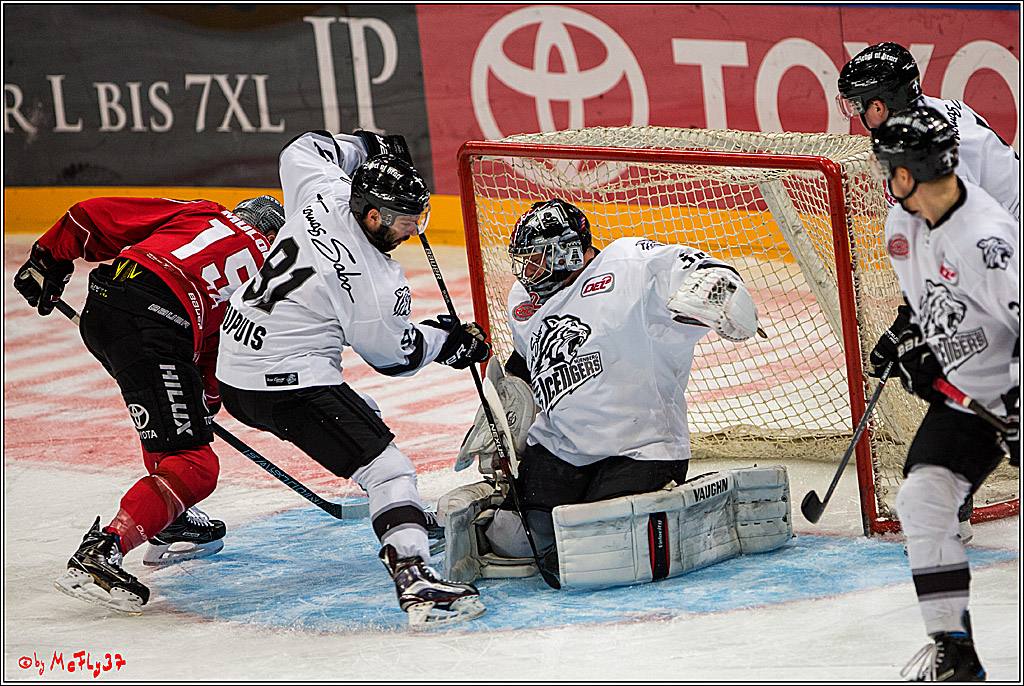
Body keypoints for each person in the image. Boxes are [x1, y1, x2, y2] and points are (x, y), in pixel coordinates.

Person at [215, 129, 490, 627]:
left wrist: (368, 146)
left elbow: (301, 148)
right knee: (388, 469)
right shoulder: (373, 282)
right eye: (404, 220)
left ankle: (402, 517)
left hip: (234, 365)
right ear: (373, 216)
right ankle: (415, 578)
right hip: (285, 383)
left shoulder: (325, 189)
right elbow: (395, 357)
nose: (412, 230)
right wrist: (447, 340)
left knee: (366, 416)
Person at [444, 198, 789, 588]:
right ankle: (500, 501)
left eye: (537, 260)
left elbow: (697, 270)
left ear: (568, 252)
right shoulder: (523, 300)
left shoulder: (628, 264)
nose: (528, 273)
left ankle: (687, 505)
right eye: (525, 262)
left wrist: (721, 290)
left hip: (642, 448)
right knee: (512, 541)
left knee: (599, 547)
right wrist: (504, 409)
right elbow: (525, 361)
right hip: (562, 446)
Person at [14, 194, 285, 614]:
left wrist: (48, 257)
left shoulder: (204, 211)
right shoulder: (272, 269)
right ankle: (103, 550)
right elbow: (222, 350)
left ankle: (166, 517)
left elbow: (91, 216)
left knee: (169, 430)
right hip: (155, 321)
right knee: (195, 464)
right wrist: (205, 403)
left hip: (105, 304)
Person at [869, 105, 1019, 681]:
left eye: (889, 169)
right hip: (972, 399)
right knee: (923, 502)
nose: (885, 180)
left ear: (908, 173)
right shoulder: (902, 227)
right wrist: (914, 343)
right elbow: (929, 305)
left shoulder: (986, 241)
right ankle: (955, 652)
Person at [837, 41, 1019, 221]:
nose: (856, 114)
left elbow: (960, 225)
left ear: (878, 107)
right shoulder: (937, 112)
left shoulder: (932, 152)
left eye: (856, 105)